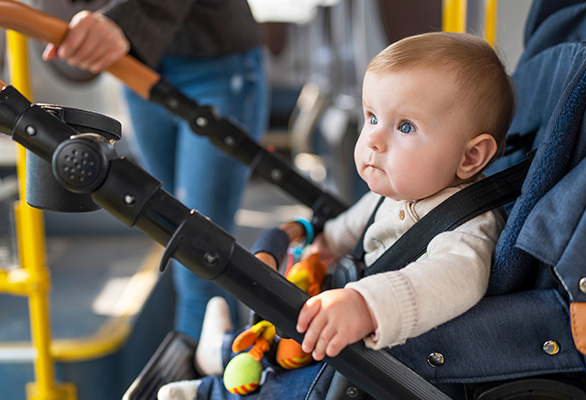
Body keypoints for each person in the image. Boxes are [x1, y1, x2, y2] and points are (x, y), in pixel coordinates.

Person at [157, 30, 515, 400]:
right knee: (287, 324)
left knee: (295, 386)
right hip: (344, 315)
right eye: (372, 117)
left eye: (405, 126)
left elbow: (447, 281)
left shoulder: (468, 226)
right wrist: (321, 245)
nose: (374, 139)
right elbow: (347, 229)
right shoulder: (392, 194)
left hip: (396, 355)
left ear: (470, 157)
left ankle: (208, 393)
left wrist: (367, 304)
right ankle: (224, 349)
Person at [42, 1, 270, 338]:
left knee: (199, 256)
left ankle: (203, 385)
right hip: (138, 67)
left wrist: (126, 20)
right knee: (171, 237)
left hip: (214, 62)